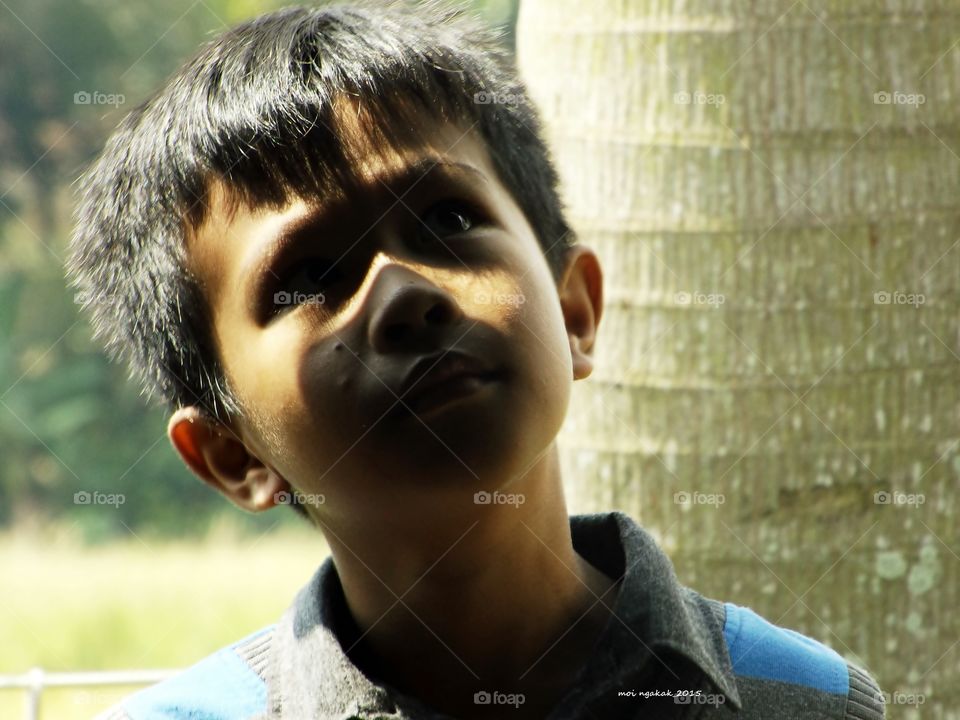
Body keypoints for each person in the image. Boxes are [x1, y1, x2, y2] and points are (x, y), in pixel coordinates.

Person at [69, 2, 885, 718]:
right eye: (310, 277)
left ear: (574, 312)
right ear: (231, 451)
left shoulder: (807, 701)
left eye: (449, 220)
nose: (401, 293)